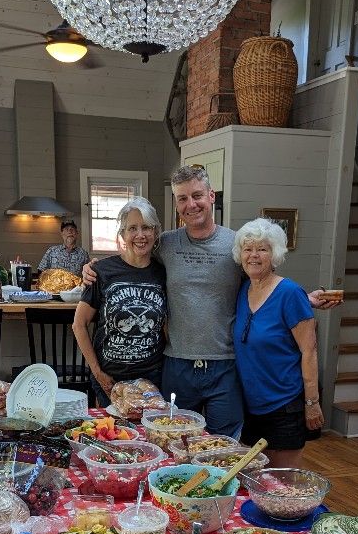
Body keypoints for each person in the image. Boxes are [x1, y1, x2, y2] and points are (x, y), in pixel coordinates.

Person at [83, 166, 339, 436]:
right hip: (177, 365)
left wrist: (302, 298)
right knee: (173, 438)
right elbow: (134, 257)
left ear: (211, 196)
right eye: (183, 198)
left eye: (197, 196)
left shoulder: (235, 244)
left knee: (224, 443)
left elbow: (262, 281)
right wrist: (94, 268)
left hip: (225, 366)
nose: (191, 204)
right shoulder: (165, 244)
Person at [232, 217, 324, 466]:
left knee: (282, 481)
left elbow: (309, 351)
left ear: (274, 255)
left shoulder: (290, 293)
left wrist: (312, 403)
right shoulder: (242, 291)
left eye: (262, 249)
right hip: (250, 407)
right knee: (254, 479)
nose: (254, 255)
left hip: (285, 406)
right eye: (248, 249)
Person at [72, 197, 167, 406]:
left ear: (155, 232)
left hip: (152, 380)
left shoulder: (163, 273)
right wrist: (98, 373)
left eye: (146, 227)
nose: (140, 235)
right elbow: (79, 325)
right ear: (123, 234)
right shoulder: (101, 271)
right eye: (132, 228)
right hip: (110, 379)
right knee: (110, 427)